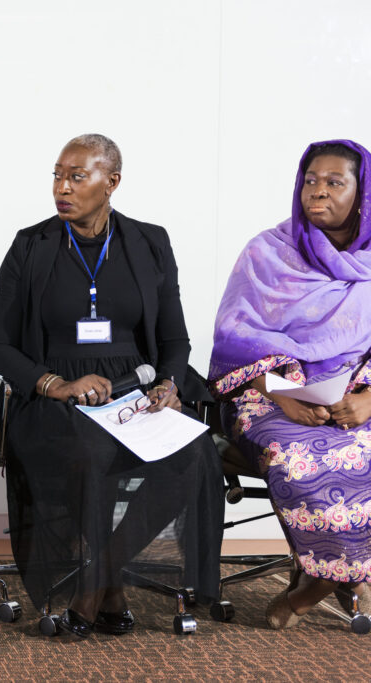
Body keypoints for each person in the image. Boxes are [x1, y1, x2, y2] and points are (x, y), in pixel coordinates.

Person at [0, 134, 223, 638]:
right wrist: (55, 384)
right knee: (89, 451)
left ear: (112, 182)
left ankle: (96, 580)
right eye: (57, 176)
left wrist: (169, 384)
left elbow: (174, 338)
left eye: (77, 177)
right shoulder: (30, 245)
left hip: (133, 390)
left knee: (194, 454)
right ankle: (107, 587)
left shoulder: (150, 242)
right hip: (56, 398)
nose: (62, 188)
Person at [209, 139, 371, 628]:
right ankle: (332, 577)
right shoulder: (267, 252)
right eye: (310, 181)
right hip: (270, 394)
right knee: (298, 457)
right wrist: (283, 393)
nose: (317, 191)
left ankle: (322, 580)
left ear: (362, 194)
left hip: (358, 394)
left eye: (334, 182)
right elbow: (234, 338)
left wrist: (368, 400)